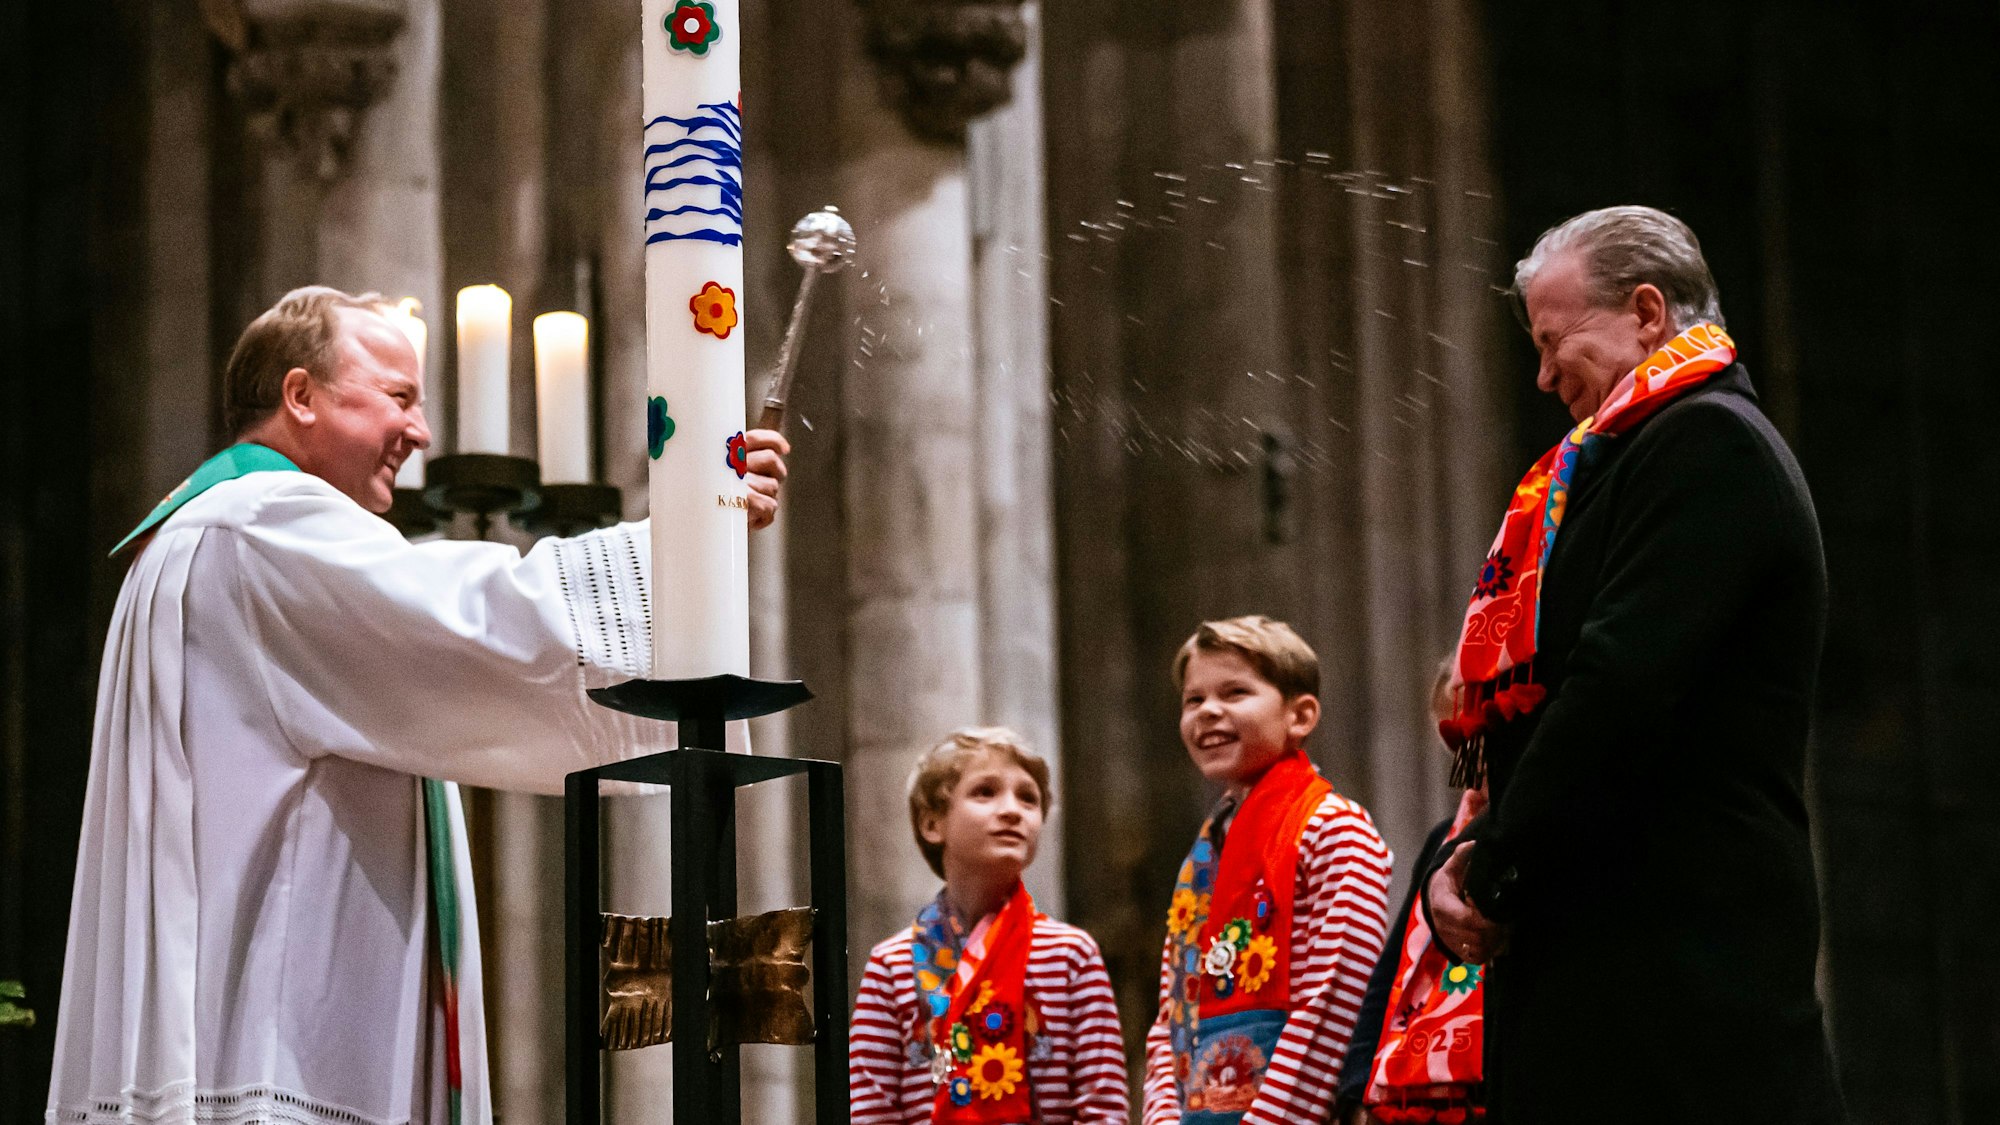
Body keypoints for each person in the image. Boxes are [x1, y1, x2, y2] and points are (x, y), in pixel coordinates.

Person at [45, 286, 792, 1125]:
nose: (423, 433)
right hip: (279, 1044)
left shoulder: (211, 531)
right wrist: (688, 539)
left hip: (258, 1024)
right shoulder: (261, 525)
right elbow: (486, 622)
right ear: (300, 396)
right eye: (398, 397)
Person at [1423, 206, 1842, 1123]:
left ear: (1646, 312)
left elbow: (1620, 685)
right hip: (1617, 954)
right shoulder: (1627, 458)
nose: (1540, 376)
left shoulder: (1708, 442)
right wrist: (1461, 853)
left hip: (1678, 964)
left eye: (1552, 340)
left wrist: (1495, 866)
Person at [1142, 615, 1393, 1125]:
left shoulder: (1334, 827)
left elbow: (1335, 997)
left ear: (1299, 716)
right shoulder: (1205, 854)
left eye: (1235, 693)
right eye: (1194, 700)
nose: (1209, 712)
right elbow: (1173, 1014)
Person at [847, 727, 1129, 1124]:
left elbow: (1104, 1109)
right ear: (933, 824)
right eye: (985, 792)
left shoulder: (1070, 955)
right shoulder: (890, 965)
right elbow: (870, 1113)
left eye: (1028, 798)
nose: (1012, 809)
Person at [1335, 660, 1487, 1125]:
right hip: (1416, 1084)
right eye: (1456, 738)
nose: (1474, 750)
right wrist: (1356, 1082)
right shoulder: (1445, 837)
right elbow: (1393, 965)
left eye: (1484, 728)